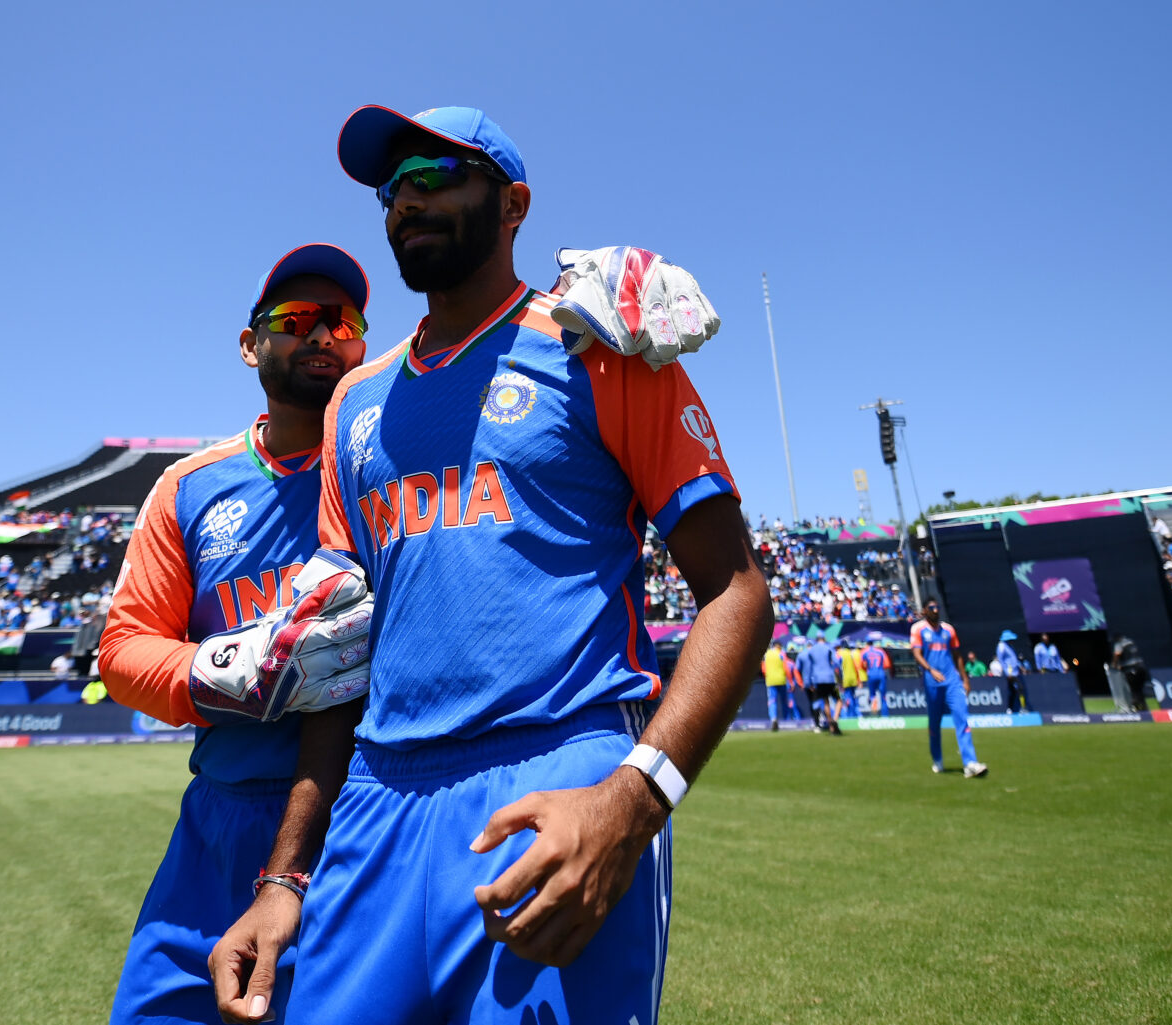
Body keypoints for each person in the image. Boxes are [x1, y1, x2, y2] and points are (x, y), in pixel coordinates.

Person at [210, 104, 771, 1025]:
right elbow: (338, 663)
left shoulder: (601, 344)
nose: (406, 202)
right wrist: (284, 877)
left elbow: (737, 592)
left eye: (437, 176)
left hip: (555, 782)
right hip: (376, 806)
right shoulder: (356, 400)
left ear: (513, 203)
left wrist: (634, 802)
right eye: (394, 187)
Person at [98, 244, 374, 1024]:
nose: (323, 334)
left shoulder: (392, 468)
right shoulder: (189, 487)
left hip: (362, 819)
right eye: (296, 319)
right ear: (251, 344)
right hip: (219, 818)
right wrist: (236, 668)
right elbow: (122, 651)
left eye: (342, 320)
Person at [910, 600, 988, 778]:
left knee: (962, 718)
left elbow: (957, 655)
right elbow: (916, 653)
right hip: (932, 681)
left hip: (952, 680)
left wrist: (965, 679)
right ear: (924, 610)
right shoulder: (917, 629)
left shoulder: (948, 630)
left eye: (937, 607)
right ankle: (937, 759)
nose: (936, 610)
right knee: (934, 723)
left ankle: (970, 763)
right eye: (931, 608)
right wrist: (930, 670)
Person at [797, 635, 842, 734]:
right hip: (829, 678)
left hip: (817, 679)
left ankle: (831, 725)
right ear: (824, 639)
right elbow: (837, 663)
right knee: (839, 700)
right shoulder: (828, 648)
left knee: (826, 702)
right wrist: (840, 679)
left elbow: (809, 667)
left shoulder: (812, 651)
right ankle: (835, 720)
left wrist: (808, 682)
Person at [1110, 634, 1151, 712]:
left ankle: (1135, 706)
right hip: (1141, 668)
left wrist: (1114, 664)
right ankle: (1143, 707)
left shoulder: (1119, 644)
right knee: (1139, 689)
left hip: (1131, 669)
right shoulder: (1130, 642)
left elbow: (1117, 654)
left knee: (1133, 689)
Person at [995, 629, 1028, 713]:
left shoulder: (1011, 646)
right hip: (1010, 672)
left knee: (1013, 691)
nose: (1012, 641)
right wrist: (1007, 672)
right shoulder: (1001, 646)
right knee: (1020, 688)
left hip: (1015, 671)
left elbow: (1014, 659)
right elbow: (1001, 660)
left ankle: (1009, 709)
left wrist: (1020, 667)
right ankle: (1023, 708)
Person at [763, 637, 788, 731]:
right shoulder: (781, 653)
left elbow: (763, 669)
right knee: (784, 701)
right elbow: (786, 668)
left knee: (772, 701)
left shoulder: (767, 654)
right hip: (781, 680)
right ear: (779, 646)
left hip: (770, 681)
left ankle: (773, 719)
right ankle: (787, 720)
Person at [861, 637, 892, 715]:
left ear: (867, 643)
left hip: (871, 675)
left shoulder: (864, 652)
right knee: (883, 695)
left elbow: (862, 665)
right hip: (881, 674)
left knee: (872, 695)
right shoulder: (880, 651)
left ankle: (874, 714)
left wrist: (868, 669)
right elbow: (887, 664)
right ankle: (885, 715)